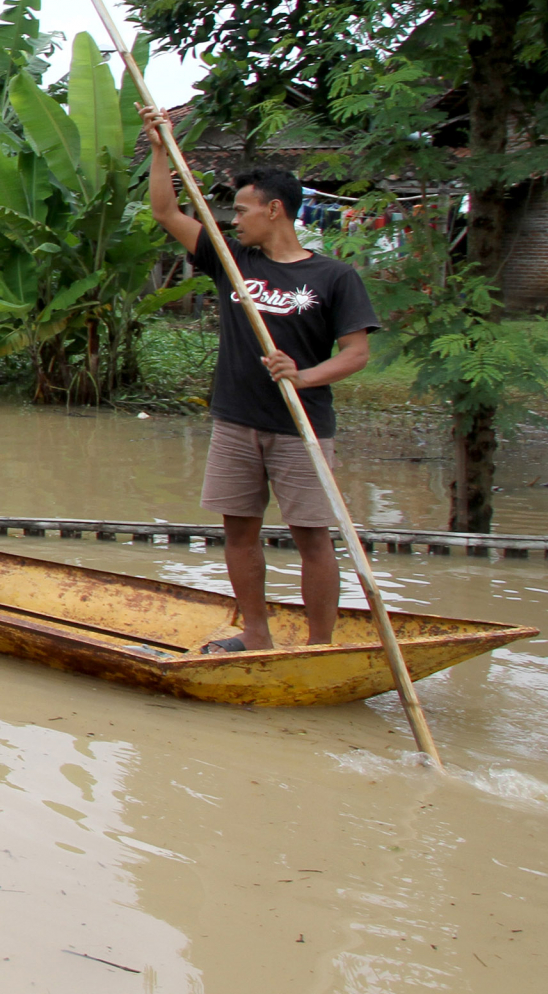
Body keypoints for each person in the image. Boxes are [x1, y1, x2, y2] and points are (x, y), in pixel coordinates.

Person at [143, 109, 379, 653]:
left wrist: (304, 375)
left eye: (244, 210)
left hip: (301, 428)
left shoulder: (333, 277)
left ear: (275, 210)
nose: (236, 219)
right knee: (240, 532)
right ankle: (255, 633)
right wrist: (160, 147)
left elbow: (357, 353)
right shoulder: (232, 260)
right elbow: (164, 210)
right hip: (236, 420)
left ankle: (320, 644)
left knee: (312, 539)